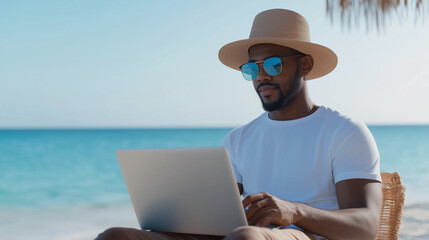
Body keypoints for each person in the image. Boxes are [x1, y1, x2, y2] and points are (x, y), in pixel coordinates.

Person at [96, 9, 382, 240]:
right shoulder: (239, 139)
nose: (260, 77)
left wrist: (294, 211)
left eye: (272, 65)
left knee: (247, 238)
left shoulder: (344, 132)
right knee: (115, 236)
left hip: (303, 236)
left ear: (304, 65)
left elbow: (366, 226)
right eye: (251, 68)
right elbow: (210, 221)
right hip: (245, 235)